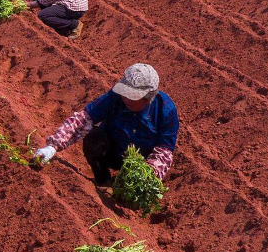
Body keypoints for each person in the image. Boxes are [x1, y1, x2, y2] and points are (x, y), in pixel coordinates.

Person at [33, 64, 179, 185]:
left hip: (139, 163)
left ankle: (123, 187)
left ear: (148, 98)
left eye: (133, 96)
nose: (126, 99)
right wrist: (53, 147)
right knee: (93, 137)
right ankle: (103, 181)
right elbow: (85, 118)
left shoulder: (166, 110)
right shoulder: (115, 98)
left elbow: (164, 152)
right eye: (125, 93)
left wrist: (145, 176)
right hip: (111, 152)